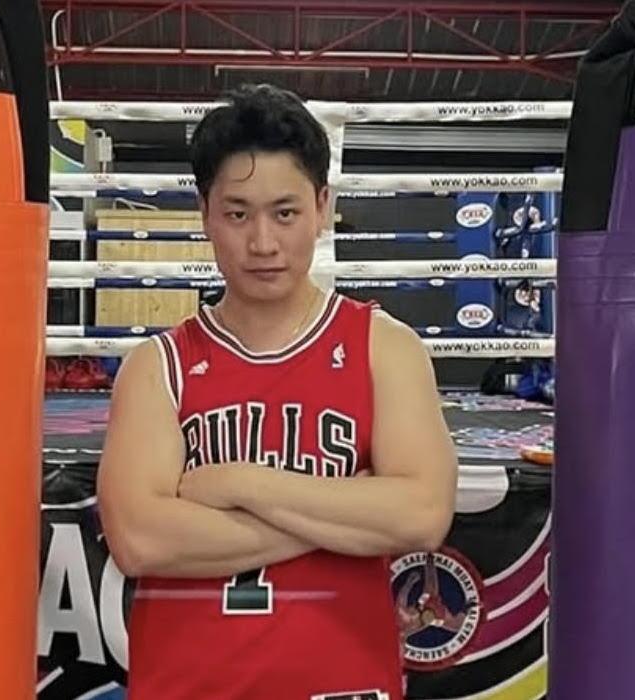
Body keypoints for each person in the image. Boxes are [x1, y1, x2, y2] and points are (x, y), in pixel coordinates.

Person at [97, 83, 458, 700]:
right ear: (205, 213)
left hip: (345, 687)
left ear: (322, 206)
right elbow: (140, 538)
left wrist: (240, 484)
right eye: (238, 214)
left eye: (285, 213)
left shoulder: (383, 348)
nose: (262, 243)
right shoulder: (158, 367)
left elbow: (422, 515)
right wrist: (351, 511)